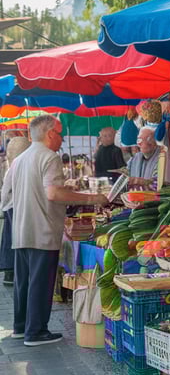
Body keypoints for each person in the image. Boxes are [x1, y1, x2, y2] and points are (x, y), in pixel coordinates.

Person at [11, 115, 109, 346]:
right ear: (50, 134)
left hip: (22, 228)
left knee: (24, 281)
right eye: (60, 133)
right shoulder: (49, 156)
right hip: (42, 229)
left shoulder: (21, 158)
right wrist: (93, 197)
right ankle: (35, 332)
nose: (63, 138)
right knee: (40, 281)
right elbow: (53, 194)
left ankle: (21, 326)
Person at [0, 137, 31, 286]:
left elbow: (5, 194)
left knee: (12, 240)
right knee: (15, 241)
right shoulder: (16, 169)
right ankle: (11, 272)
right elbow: (5, 193)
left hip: (12, 208)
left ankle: (10, 272)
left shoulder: (13, 168)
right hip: (15, 208)